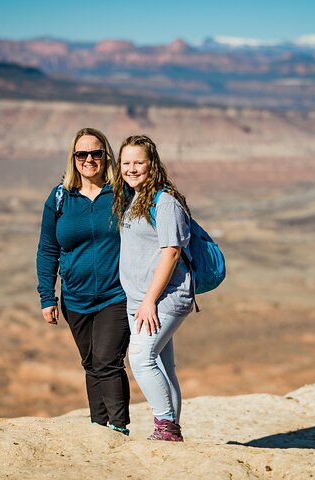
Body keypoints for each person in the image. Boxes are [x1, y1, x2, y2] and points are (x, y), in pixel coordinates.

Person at [36, 127, 131, 435]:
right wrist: (47, 297)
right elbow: (47, 249)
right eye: (82, 154)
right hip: (75, 299)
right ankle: (98, 426)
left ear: (106, 157)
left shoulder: (122, 193)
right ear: (73, 158)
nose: (89, 160)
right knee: (91, 363)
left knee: (107, 360)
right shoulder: (60, 197)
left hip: (116, 295)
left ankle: (118, 428)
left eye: (96, 153)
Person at [112, 134, 194, 442]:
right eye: (126, 163)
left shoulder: (165, 202)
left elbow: (171, 252)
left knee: (141, 358)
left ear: (152, 164)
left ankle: (165, 427)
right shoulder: (135, 198)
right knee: (162, 364)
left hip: (162, 299)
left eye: (139, 162)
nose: (131, 169)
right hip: (141, 300)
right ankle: (170, 431)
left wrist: (149, 300)